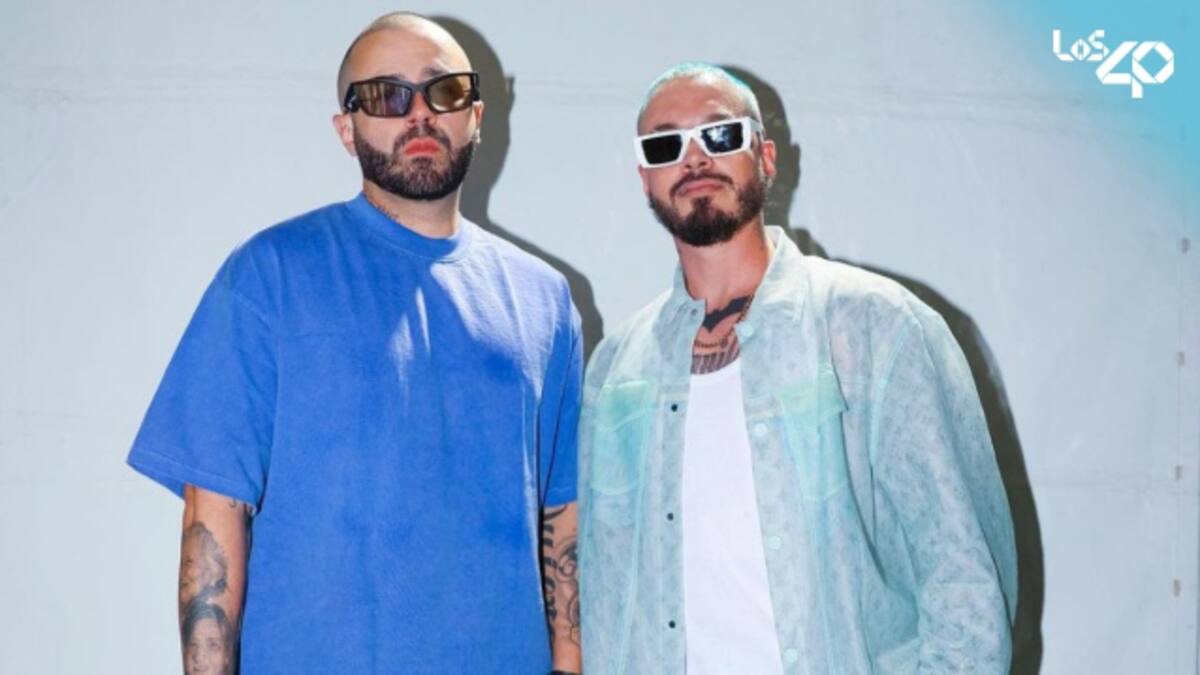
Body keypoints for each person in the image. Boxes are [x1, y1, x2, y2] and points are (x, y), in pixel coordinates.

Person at [128, 12, 582, 674]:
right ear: (347, 129)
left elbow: (563, 515)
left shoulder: (544, 298)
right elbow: (213, 510)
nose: (419, 112)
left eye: (444, 90)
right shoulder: (271, 274)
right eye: (385, 95)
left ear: (476, 115)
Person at [577, 63, 1017, 674]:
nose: (694, 157)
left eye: (720, 134)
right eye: (665, 144)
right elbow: (601, 591)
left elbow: (963, 576)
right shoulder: (616, 368)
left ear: (766, 156)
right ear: (645, 178)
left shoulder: (875, 327)